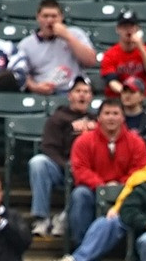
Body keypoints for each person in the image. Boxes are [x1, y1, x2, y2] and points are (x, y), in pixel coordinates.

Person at [67, 98, 146, 248]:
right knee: (79, 195)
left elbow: (140, 170)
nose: (111, 117)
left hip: (126, 192)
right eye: (107, 113)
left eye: (116, 113)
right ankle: (80, 247)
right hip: (93, 191)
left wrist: (120, 185)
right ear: (99, 117)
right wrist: (102, 186)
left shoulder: (136, 142)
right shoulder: (83, 141)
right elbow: (80, 170)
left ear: (123, 117)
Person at [28, 77, 95, 237]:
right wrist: (66, 165)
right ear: (69, 96)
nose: (82, 95)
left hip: (88, 171)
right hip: (61, 169)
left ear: (91, 97)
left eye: (86, 92)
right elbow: (49, 148)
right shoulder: (58, 118)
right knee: (38, 162)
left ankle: (64, 217)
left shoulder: (97, 120)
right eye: (78, 91)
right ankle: (41, 218)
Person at [9, 0, 97, 96]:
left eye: (54, 16)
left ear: (61, 17)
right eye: (45, 16)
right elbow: (20, 73)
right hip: (43, 93)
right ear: (38, 17)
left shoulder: (75, 34)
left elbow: (90, 61)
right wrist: (35, 87)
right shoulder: (26, 44)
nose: (50, 20)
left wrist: (68, 37)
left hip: (72, 92)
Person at [100, 10, 146, 99]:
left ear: (137, 29)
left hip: (141, 100)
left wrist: (141, 47)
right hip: (118, 99)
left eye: (131, 26)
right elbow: (111, 81)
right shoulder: (110, 54)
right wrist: (128, 94)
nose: (128, 30)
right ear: (118, 29)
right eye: (124, 27)